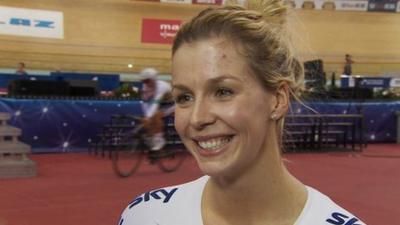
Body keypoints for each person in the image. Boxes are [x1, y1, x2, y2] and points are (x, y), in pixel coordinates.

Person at [118, 0, 367, 224]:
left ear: (278, 99)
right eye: (184, 97)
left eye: (223, 92)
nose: (197, 118)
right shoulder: (144, 216)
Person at [139, 67, 174, 151]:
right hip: (162, 104)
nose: (145, 83)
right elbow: (145, 103)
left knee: (156, 115)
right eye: (143, 81)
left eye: (147, 81)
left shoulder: (162, 86)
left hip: (173, 104)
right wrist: (146, 116)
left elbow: (155, 103)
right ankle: (151, 138)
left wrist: (149, 116)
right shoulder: (145, 86)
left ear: (153, 79)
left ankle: (160, 139)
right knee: (146, 119)